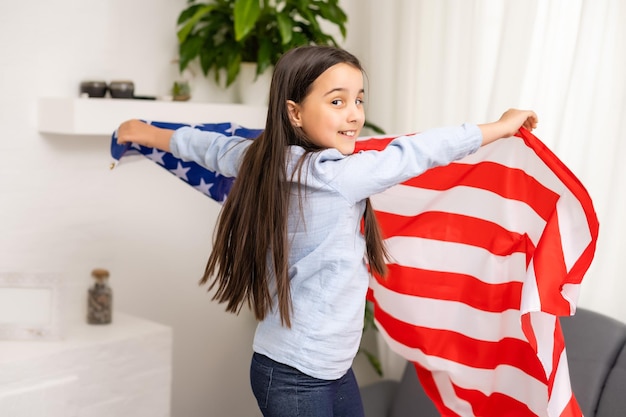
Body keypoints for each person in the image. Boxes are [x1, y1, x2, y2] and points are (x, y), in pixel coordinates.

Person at [116, 45, 538, 417]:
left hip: (326, 370)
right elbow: (418, 151)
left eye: (358, 100)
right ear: (295, 112)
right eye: (337, 101)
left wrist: (145, 133)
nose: (354, 114)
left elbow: (209, 147)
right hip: (297, 376)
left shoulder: (262, 158)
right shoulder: (339, 176)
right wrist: (499, 127)